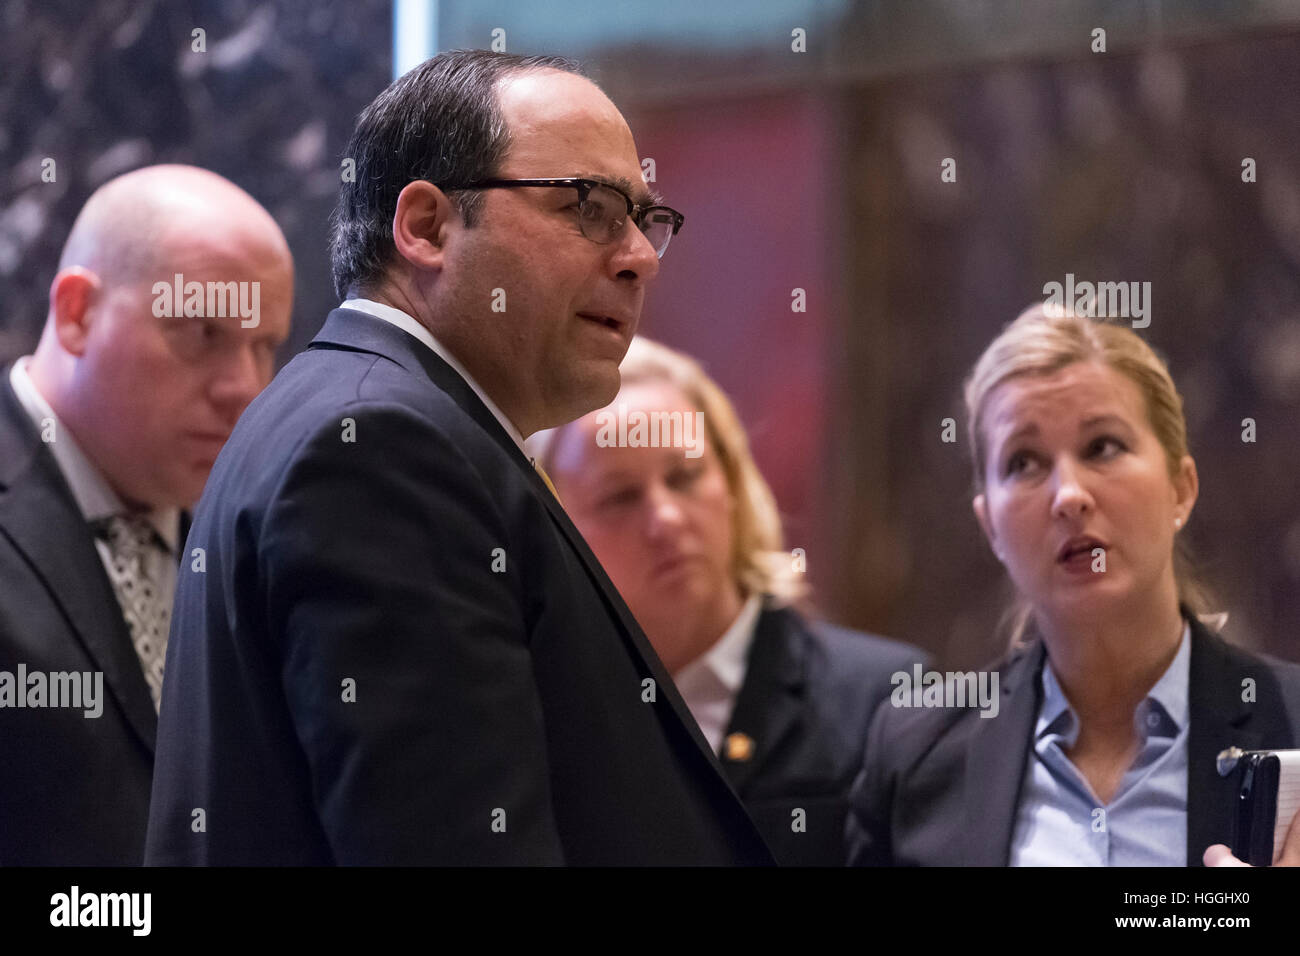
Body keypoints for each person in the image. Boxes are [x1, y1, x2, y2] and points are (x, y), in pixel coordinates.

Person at [145, 51, 773, 866]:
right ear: (426, 227)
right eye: (589, 206)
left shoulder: (378, 419)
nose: (639, 257)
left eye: (645, 219)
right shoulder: (381, 449)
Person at [846, 303, 1300, 866]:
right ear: (991, 526)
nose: (1068, 495)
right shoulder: (916, 756)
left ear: (1180, 488)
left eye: (1103, 447)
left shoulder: (1290, 722)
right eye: (1024, 462)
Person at [530, 335, 927, 865]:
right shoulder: (537, 721)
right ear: (559, 531)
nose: (666, 519)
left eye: (685, 476)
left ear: (735, 483)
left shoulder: (893, 702)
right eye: (620, 496)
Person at [0, 164, 293, 865]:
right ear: (77, 314)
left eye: (265, 346)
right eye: (202, 332)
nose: (245, 389)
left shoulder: (256, 543)